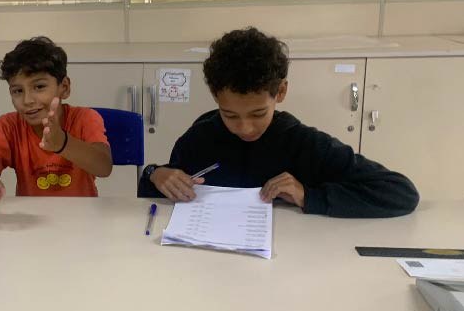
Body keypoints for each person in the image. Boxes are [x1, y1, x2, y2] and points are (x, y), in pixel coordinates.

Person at [138, 27, 419, 218]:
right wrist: (154, 173)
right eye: (230, 115)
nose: (245, 128)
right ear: (215, 97)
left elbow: (401, 193)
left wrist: (308, 195)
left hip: (287, 262)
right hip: (210, 263)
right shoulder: (200, 138)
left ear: (280, 92)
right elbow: (155, 193)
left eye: (258, 114)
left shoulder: (304, 144)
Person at [0, 37, 113, 217]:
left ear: (64, 87)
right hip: (32, 223)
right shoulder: (8, 126)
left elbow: (104, 167)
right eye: (18, 91)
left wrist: (62, 143)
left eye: (39, 87)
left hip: (83, 219)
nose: (28, 100)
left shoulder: (86, 118)